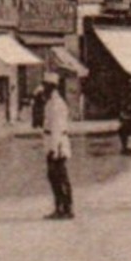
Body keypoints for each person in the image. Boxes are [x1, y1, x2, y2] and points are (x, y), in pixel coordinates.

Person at [41, 74, 74, 220]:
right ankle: (62, 207)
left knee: (58, 177)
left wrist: (53, 149)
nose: (44, 88)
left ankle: (64, 208)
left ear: (51, 87)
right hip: (55, 142)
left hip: (57, 145)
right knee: (56, 177)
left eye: (46, 86)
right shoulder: (53, 102)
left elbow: (56, 127)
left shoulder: (55, 104)